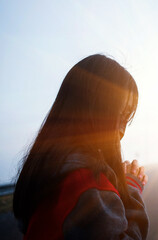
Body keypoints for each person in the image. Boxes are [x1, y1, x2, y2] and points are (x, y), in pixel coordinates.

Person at [12, 54, 149, 239]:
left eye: (127, 118)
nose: (122, 130)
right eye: (120, 115)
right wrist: (131, 187)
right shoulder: (88, 185)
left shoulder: (49, 171)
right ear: (92, 110)